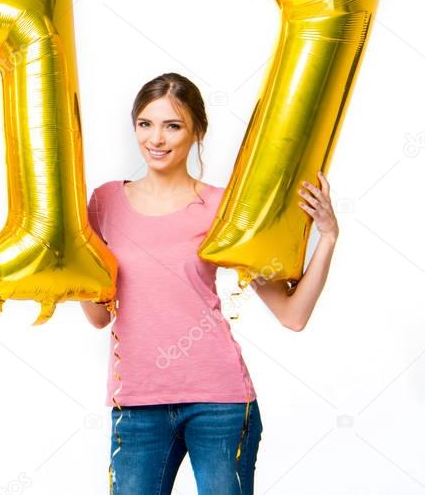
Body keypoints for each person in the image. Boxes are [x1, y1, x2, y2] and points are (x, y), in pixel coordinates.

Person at [80, 72, 339, 495]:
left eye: (173, 125)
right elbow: (97, 315)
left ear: (197, 131)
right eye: (146, 123)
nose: (156, 139)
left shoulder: (223, 209)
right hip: (137, 404)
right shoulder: (105, 202)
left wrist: (327, 237)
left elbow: (292, 315)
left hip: (219, 401)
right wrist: (71, 250)